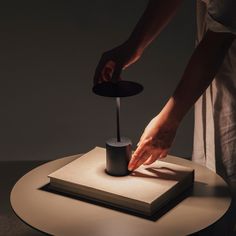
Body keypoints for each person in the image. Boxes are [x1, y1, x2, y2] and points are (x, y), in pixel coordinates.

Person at [94, 0, 236, 233]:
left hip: (228, 67)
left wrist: (169, 120)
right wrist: (134, 45)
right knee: (214, 179)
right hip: (216, 70)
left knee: (228, 177)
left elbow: (219, 39)